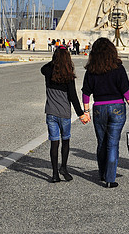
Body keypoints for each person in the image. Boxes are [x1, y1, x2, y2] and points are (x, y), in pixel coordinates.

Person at [82, 38, 129, 188]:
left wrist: (86, 111)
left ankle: (102, 173)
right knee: (113, 144)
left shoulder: (91, 69)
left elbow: (86, 93)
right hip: (117, 107)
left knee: (101, 142)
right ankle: (110, 178)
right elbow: (126, 91)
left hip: (99, 108)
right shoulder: (118, 67)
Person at [41, 46, 88, 183]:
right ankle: (64, 168)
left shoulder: (48, 71)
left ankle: (55, 174)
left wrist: (55, 60)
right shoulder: (68, 76)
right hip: (64, 114)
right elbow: (73, 97)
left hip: (51, 113)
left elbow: (43, 68)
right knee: (65, 141)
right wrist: (81, 114)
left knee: (54, 143)